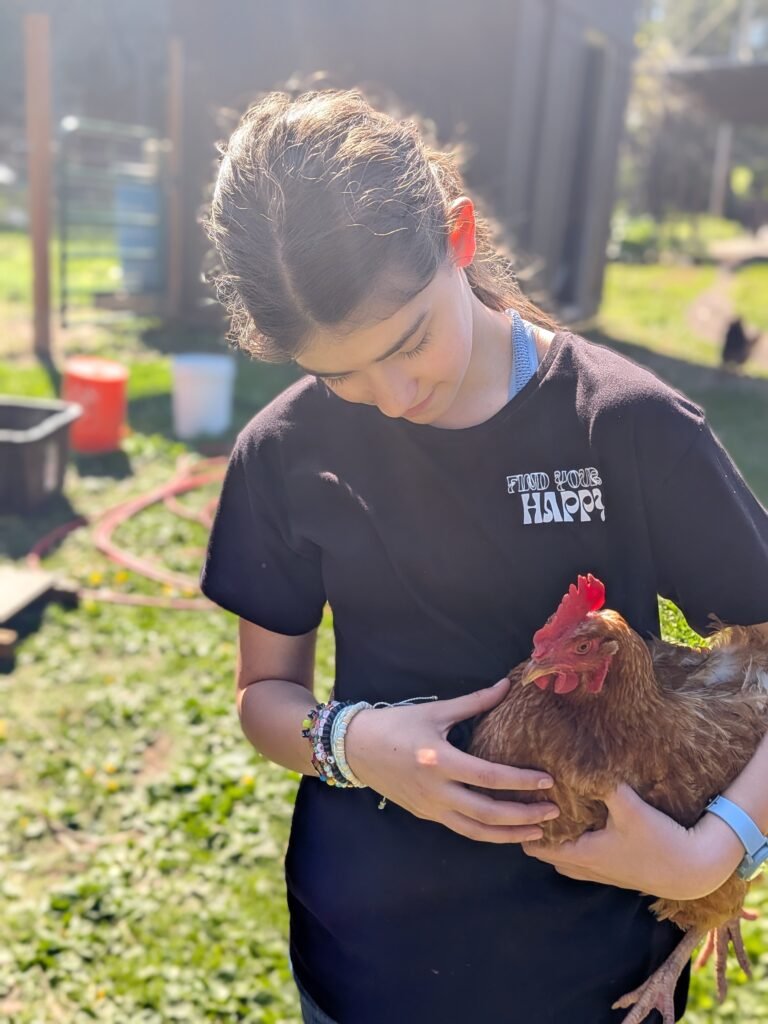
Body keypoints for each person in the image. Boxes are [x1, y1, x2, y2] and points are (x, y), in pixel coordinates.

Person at [199, 88, 768, 1024]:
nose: (390, 393)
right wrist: (354, 744)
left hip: (597, 973)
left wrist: (717, 848)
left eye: (411, 340)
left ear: (459, 236)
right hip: (367, 962)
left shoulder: (626, 428)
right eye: (338, 373)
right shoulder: (285, 452)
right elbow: (265, 699)